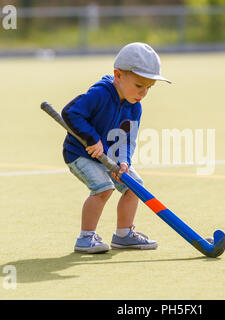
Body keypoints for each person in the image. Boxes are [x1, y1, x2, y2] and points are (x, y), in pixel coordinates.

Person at [61, 42, 171, 253]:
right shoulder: (100, 94)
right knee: (103, 187)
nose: (144, 93)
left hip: (109, 156)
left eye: (149, 87)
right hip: (79, 153)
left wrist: (123, 161)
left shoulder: (135, 107)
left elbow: (127, 139)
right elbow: (71, 112)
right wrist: (92, 138)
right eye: (139, 86)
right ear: (118, 76)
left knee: (135, 186)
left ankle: (124, 234)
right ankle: (85, 238)